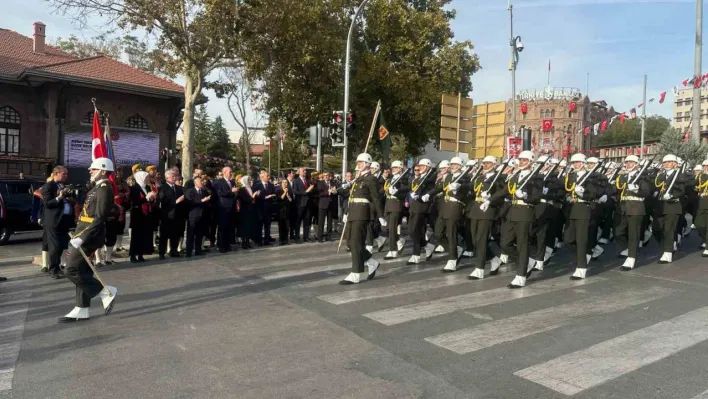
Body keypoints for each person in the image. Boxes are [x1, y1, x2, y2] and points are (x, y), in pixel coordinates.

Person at [59, 157, 117, 323]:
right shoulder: (97, 187)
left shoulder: (105, 189)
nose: (90, 171)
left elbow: (100, 217)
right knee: (82, 271)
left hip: (89, 236)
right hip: (82, 233)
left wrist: (83, 237)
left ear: (103, 171)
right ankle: (82, 309)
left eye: (93, 168)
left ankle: (105, 291)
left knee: (70, 269)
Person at [340, 153, 385, 285]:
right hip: (353, 211)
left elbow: (376, 198)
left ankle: (356, 273)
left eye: (360, 162)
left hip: (362, 212)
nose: (357, 164)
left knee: (356, 242)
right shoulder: (358, 178)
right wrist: (347, 212)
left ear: (367, 164)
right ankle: (372, 262)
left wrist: (381, 215)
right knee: (351, 242)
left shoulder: (371, 179)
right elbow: (352, 197)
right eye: (358, 162)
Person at [615, 155, 651, 270]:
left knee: (633, 234)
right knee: (618, 232)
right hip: (624, 207)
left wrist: (636, 191)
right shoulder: (624, 177)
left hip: (636, 207)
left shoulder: (642, 177)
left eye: (631, 162)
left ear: (636, 164)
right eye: (627, 162)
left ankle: (631, 258)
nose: (628, 164)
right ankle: (629, 249)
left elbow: (646, 192)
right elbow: (618, 188)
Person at [39, 165, 73, 279]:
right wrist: (59, 197)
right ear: (56, 174)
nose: (66, 176)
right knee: (54, 246)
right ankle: (53, 269)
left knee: (62, 244)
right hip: (53, 221)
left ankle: (57, 267)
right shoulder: (48, 186)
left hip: (64, 220)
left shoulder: (63, 185)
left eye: (67, 174)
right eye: (64, 174)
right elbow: (48, 204)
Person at [652, 154, 686, 264]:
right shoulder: (661, 176)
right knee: (656, 228)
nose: (666, 164)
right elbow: (657, 185)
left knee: (669, 229)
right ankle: (668, 244)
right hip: (661, 205)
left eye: (669, 162)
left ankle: (668, 253)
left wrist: (672, 195)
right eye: (665, 162)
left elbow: (681, 190)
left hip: (673, 205)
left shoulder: (679, 175)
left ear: (675, 164)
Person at [382, 161, 410, 259]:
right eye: (392, 167)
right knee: (387, 229)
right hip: (388, 205)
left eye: (395, 167)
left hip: (396, 205)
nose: (393, 169)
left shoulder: (403, 180)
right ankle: (399, 240)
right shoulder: (389, 180)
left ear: (400, 169)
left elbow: (406, 190)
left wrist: (397, 192)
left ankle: (393, 250)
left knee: (392, 228)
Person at [157, 169, 186, 259]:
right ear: (167, 177)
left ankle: (174, 251)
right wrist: (176, 201)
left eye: (175, 176)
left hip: (177, 215)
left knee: (175, 234)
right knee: (164, 235)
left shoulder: (179, 188)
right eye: (172, 176)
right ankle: (162, 252)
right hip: (167, 215)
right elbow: (163, 200)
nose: (175, 178)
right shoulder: (163, 187)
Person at [129, 171, 157, 263]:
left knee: (144, 235)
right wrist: (146, 198)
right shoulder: (134, 188)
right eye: (145, 178)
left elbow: (149, 200)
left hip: (146, 214)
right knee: (136, 236)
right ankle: (133, 255)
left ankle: (140, 254)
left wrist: (152, 198)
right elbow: (135, 202)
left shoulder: (148, 187)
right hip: (137, 214)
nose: (147, 179)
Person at [184, 175, 211, 257]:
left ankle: (198, 250)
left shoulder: (204, 191)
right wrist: (202, 201)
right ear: (195, 183)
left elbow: (207, 203)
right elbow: (190, 202)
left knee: (200, 234)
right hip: (193, 216)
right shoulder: (190, 191)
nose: (202, 182)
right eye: (200, 181)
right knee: (191, 234)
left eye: (202, 181)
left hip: (202, 216)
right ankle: (188, 251)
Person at [215, 166, 237, 253]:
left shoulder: (232, 182)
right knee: (222, 227)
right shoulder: (219, 182)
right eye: (229, 172)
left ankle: (227, 245)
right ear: (224, 172)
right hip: (223, 207)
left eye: (231, 172)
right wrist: (231, 191)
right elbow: (220, 193)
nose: (231, 173)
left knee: (229, 227)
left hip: (231, 207)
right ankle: (221, 246)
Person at [253, 170, 276, 245]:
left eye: (269, 176)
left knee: (267, 225)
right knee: (259, 226)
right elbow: (254, 196)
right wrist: (265, 197)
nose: (269, 177)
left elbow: (274, 195)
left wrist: (272, 197)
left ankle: (267, 240)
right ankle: (259, 241)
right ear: (262, 177)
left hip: (268, 209)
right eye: (267, 176)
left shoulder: (271, 185)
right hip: (260, 208)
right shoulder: (257, 185)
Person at [293, 167, 314, 243]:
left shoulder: (308, 180)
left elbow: (310, 191)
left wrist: (311, 189)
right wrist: (305, 192)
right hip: (300, 204)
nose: (305, 172)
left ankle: (306, 237)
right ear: (299, 172)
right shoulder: (296, 181)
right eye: (303, 171)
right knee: (298, 221)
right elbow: (295, 192)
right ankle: (297, 238)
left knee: (307, 221)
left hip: (308, 204)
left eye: (305, 171)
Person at [238, 175, 258, 249]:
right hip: (244, 210)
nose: (250, 181)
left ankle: (248, 241)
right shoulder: (242, 189)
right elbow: (246, 199)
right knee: (244, 227)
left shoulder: (250, 188)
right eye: (248, 180)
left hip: (251, 209)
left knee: (249, 226)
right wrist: (253, 196)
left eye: (250, 180)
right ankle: (244, 242)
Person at [316, 171, 337, 242]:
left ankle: (329, 236)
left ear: (329, 176)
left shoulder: (333, 182)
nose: (326, 176)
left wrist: (334, 191)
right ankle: (320, 237)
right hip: (323, 204)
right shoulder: (320, 183)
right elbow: (319, 193)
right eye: (324, 175)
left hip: (331, 204)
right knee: (321, 221)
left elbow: (335, 192)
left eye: (327, 175)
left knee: (330, 221)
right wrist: (328, 192)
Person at [276, 179, 293, 245]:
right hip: (281, 210)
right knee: (281, 226)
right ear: (281, 183)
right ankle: (281, 240)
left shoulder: (289, 191)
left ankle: (286, 240)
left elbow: (291, 200)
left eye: (286, 182)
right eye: (283, 182)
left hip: (287, 210)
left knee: (287, 226)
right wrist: (285, 192)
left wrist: (288, 194)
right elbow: (280, 198)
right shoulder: (278, 190)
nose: (285, 183)